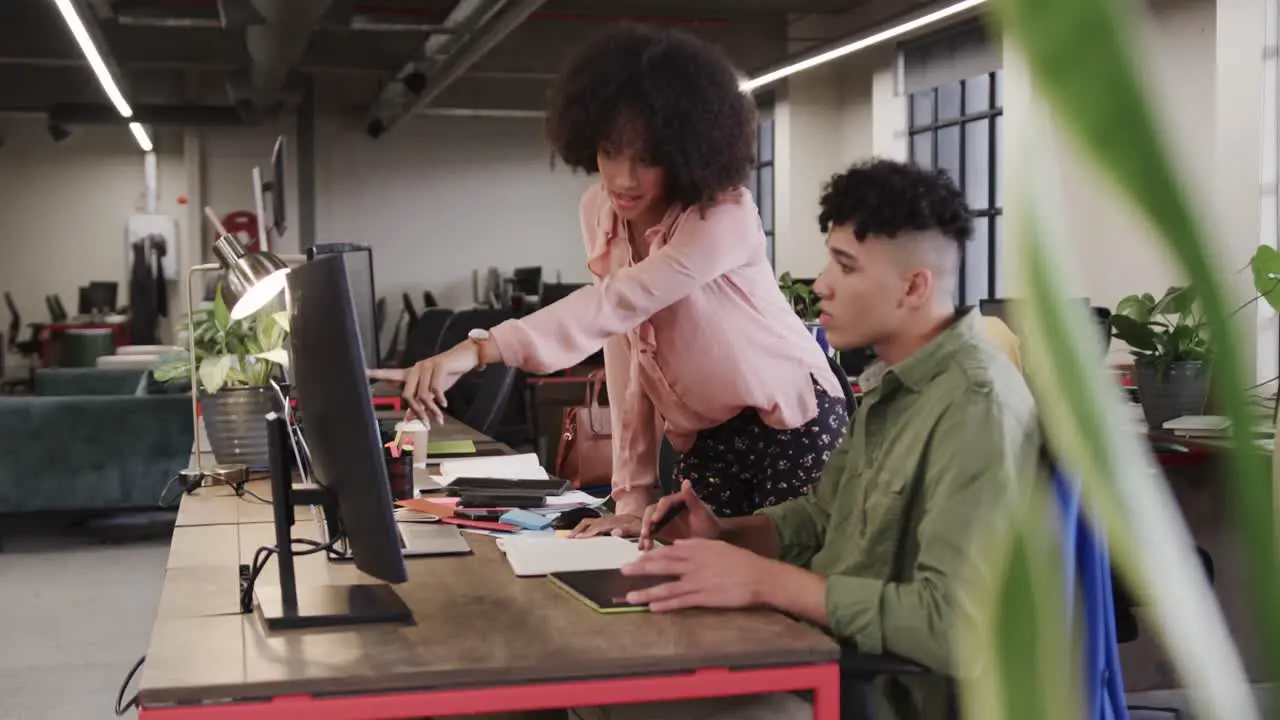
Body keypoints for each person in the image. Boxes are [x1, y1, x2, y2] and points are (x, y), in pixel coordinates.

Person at [586, 160, 1041, 720]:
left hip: (879, 697)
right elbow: (821, 518)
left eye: (845, 267)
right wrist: (723, 533)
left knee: (621, 704)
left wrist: (765, 582)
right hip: (821, 665)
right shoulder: (890, 390)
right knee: (610, 694)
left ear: (914, 286)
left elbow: (952, 625)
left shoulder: (977, 408)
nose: (820, 284)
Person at [369, 24, 848, 527]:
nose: (623, 178)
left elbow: (619, 303)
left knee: (782, 590)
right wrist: (630, 501)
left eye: (647, 159)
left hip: (795, 420)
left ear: (689, 149)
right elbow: (625, 351)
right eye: (610, 151)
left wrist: (478, 349)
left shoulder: (722, 214)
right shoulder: (599, 211)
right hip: (707, 438)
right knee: (694, 585)